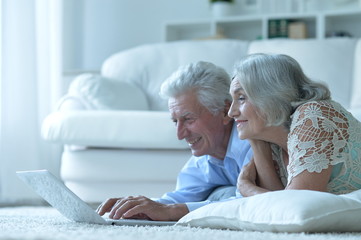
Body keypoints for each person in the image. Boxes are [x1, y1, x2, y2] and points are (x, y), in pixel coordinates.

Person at [96, 61, 252, 221]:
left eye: (188, 119)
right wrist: (134, 206)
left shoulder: (253, 143)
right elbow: (174, 201)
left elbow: (253, 205)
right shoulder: (204, 158)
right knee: (221, 194)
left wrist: (173, 211)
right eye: (175, 121)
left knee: (223, 194)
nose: (180, 135)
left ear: (225, 111)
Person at [228, 53, 361, 197]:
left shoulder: (314, 116)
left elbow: (297, 204)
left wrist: (246, 187)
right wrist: (257, 145)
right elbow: (276, 209)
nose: (231, 112)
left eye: (241, 98)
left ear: (271, 95)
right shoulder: (271, 144)